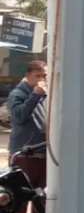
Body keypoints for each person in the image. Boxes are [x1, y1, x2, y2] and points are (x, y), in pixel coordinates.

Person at [5, 60, 47, 190]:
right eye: (37, 76)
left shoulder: (44, 95)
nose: (41, 80)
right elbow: (19, 116)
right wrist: (35, 95)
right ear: (28, 76)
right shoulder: (18, 94)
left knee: (41, 196)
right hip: (25, 155)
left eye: (44, 76)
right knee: (23, 194)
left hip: (42, 153)